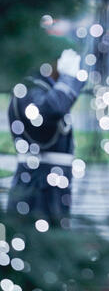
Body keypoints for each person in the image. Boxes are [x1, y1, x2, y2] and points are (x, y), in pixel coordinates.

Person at [7, 38, 85, 226]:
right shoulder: (31, 87)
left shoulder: (44, 87)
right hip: (36, 182)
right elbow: (51, 110)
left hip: (49, 181)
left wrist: (71, 79)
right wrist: (67, 79)